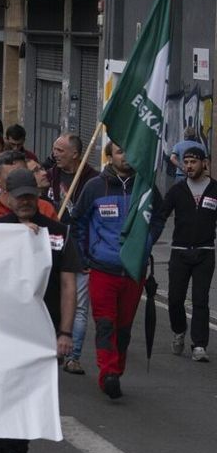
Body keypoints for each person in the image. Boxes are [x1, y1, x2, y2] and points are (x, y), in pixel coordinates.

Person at [0, 167, 77, 453]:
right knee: (4, 391)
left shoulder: (59, 232)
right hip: (3, 329)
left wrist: (66, 333)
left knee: (31, 393)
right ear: (6, 197)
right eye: (18, 197)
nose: (25, 202)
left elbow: (68, 285)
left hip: (43, 331)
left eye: (30, 196)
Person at [72, 142, 163, 399]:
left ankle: (117, 370)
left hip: (134, 271)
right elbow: (77, 221)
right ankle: (108, 373)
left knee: (123, 327)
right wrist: (83, 256)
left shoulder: (145, 187)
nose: (126, 156)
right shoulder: (94, 187)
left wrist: (146, 243)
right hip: (102, 268)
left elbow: (159, 216)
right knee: (105, 324)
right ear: (109, 156)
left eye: (130, 151)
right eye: (121, 151)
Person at [152, 146, 217, 362]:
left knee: (200, 300)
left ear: (204, 163)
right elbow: (161, 214)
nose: (188, 166)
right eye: (186, 162)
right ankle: (179, 330)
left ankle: (199, 345)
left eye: (193, 162)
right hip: (179, 253)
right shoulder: (177, 191)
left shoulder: (215, 190)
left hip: (205, 253)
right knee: (175, 300)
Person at [45, 133, 99, 375]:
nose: (55, 153)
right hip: (51, 247)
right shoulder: (49, 176)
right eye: (55, 149)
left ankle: (73, 355)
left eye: (60, 150)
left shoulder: (92, 180)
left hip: (79, 249)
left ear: (75, 154)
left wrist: (88, 252)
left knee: (78, 306)